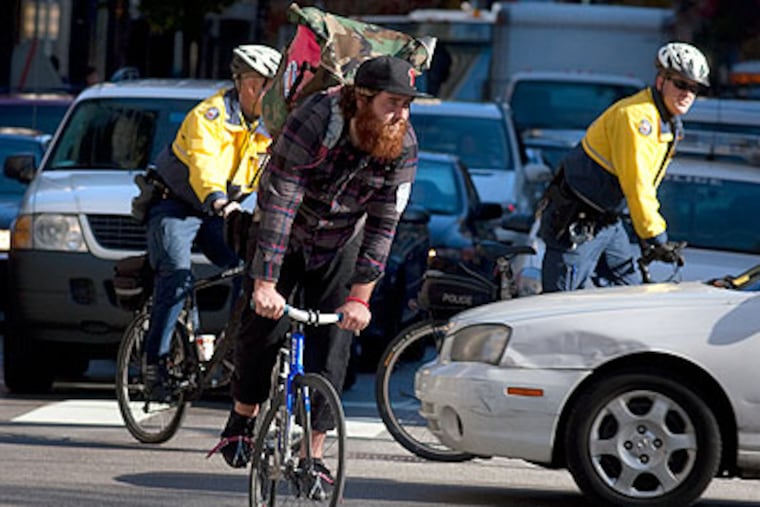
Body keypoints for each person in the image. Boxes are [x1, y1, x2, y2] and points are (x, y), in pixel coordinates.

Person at [214, 55, 429, 471]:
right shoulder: (315, 119)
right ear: (361, 98)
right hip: (286, 232)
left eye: (407, 105)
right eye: (393, 103)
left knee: (334, 345)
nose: (401, 114)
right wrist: (266, 284)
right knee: (263, 328)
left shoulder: (403, 143)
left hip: (342, 238)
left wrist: (360, 299)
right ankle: (242, 415)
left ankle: (312, 454)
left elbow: (385, 224)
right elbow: (281, 203)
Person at [142, 44, 281, 397]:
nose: (265, 92)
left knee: (252, 268)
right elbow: (205, 165)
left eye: (271, 84)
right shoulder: (209, 116)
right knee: (175, 275)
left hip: (218, 211)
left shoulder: (268, 126)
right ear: (239, 82)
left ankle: (232, 347)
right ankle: (153, 365)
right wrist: (220, 201)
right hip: (177, 204)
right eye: (258, 83)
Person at [537, 42, 710, 292]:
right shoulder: (637, 118)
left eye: (695, 88)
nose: (687, 94)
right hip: (577, 219)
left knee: (630, 294)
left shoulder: (667, 122)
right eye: (681, 84)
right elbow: (637, 184)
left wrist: (644, 234)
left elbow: (647, 185)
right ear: (661, 81)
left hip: (608, 220)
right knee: (560, 303)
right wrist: (655, 236)